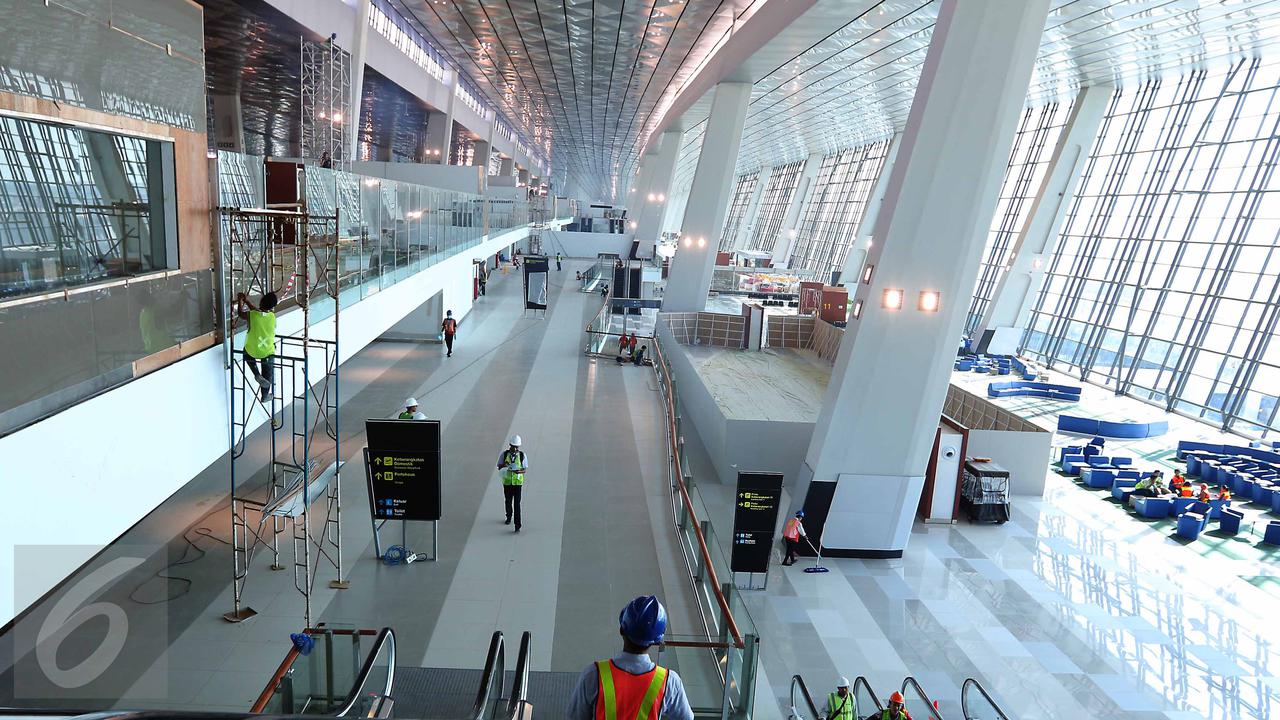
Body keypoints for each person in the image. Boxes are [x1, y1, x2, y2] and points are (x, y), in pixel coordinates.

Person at [566, 596, 693, 720]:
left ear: (622, 629)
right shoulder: (670, 682)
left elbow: (574, 717)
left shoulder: (593, 674)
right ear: (657, 641)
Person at [236, 291, 278, 402]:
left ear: (261, 301)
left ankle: (256, 373)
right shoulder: (272, 317)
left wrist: (240, 301)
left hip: (252, 350)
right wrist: (247, 301)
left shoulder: (252, 315)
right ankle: (264, 396)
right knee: (268, 374)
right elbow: (258, 312)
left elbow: (241, 313)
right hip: (267, 351)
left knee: (246, 353)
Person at [496, 435, 528, 532]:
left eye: (517, 447)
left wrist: (519, 472)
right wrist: (504, 465)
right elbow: (499, 467)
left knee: (517, 504)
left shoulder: (522, 455)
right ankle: (509, 516)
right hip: (507, 482)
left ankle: (517, 525)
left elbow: (524, 469)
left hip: (517, 483)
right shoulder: (504, 455)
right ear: (510, 445)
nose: (515, 448)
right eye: (513, 446)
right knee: (508, 501)